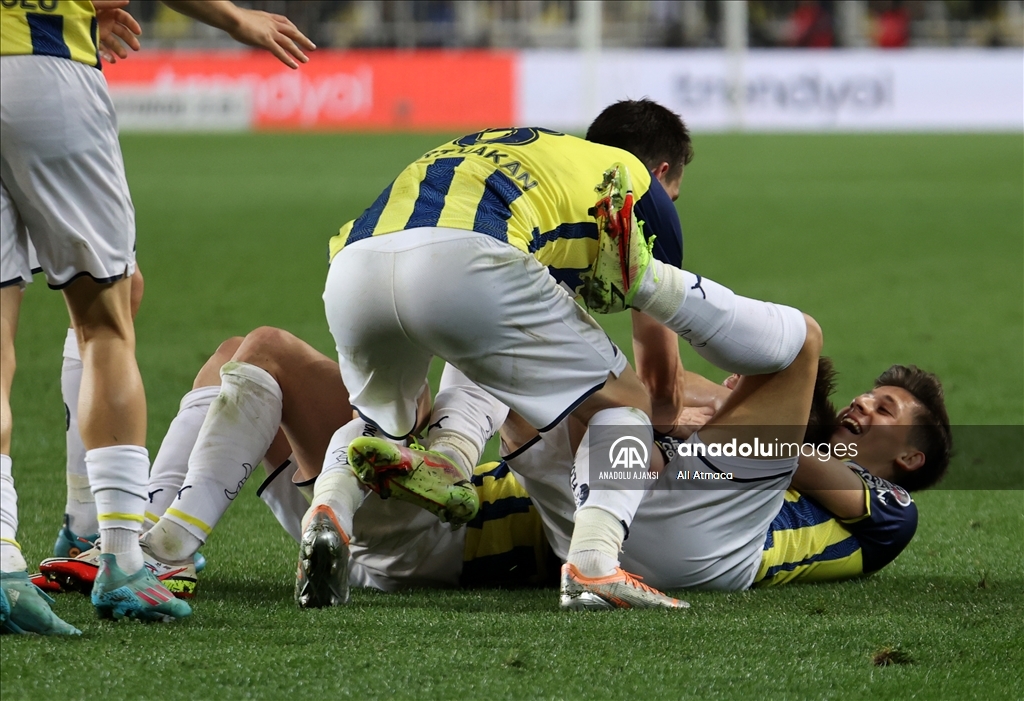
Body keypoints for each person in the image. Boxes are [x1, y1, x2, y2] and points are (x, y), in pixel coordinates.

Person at [312, 100, 810, 609]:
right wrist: (689, 419)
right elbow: (661, 388)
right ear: (662, 173)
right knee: (626, 405)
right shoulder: (635, 187)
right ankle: (595, 562)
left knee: (383, 421)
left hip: (355, 266)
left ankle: (333, 511)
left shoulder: (544, 157)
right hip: (470, 258)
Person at [0, 0, 315, 633]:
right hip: (43, 69)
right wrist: (232, 18)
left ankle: (7, 563)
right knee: (106, 320)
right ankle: (119, 558)